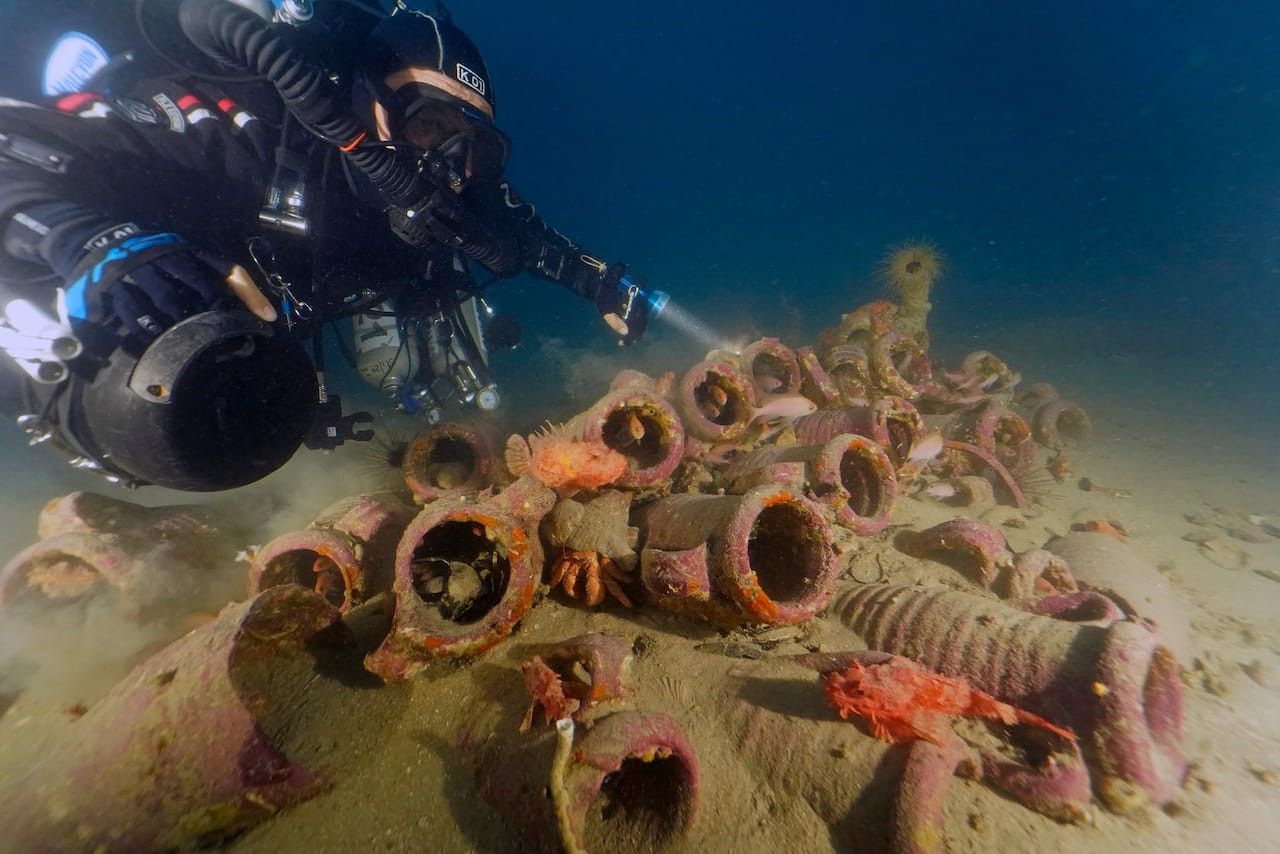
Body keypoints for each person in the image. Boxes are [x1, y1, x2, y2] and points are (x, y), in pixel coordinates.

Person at [0, 0, 658, 491]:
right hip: (148, 325)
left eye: (473, 145)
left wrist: (601, 283)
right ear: (369, 102)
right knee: (142, 394)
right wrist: (87, 240)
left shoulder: (451, 188)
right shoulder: (242, 137)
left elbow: (522, 237)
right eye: (429, 124)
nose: (450, 164)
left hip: (272, 338)